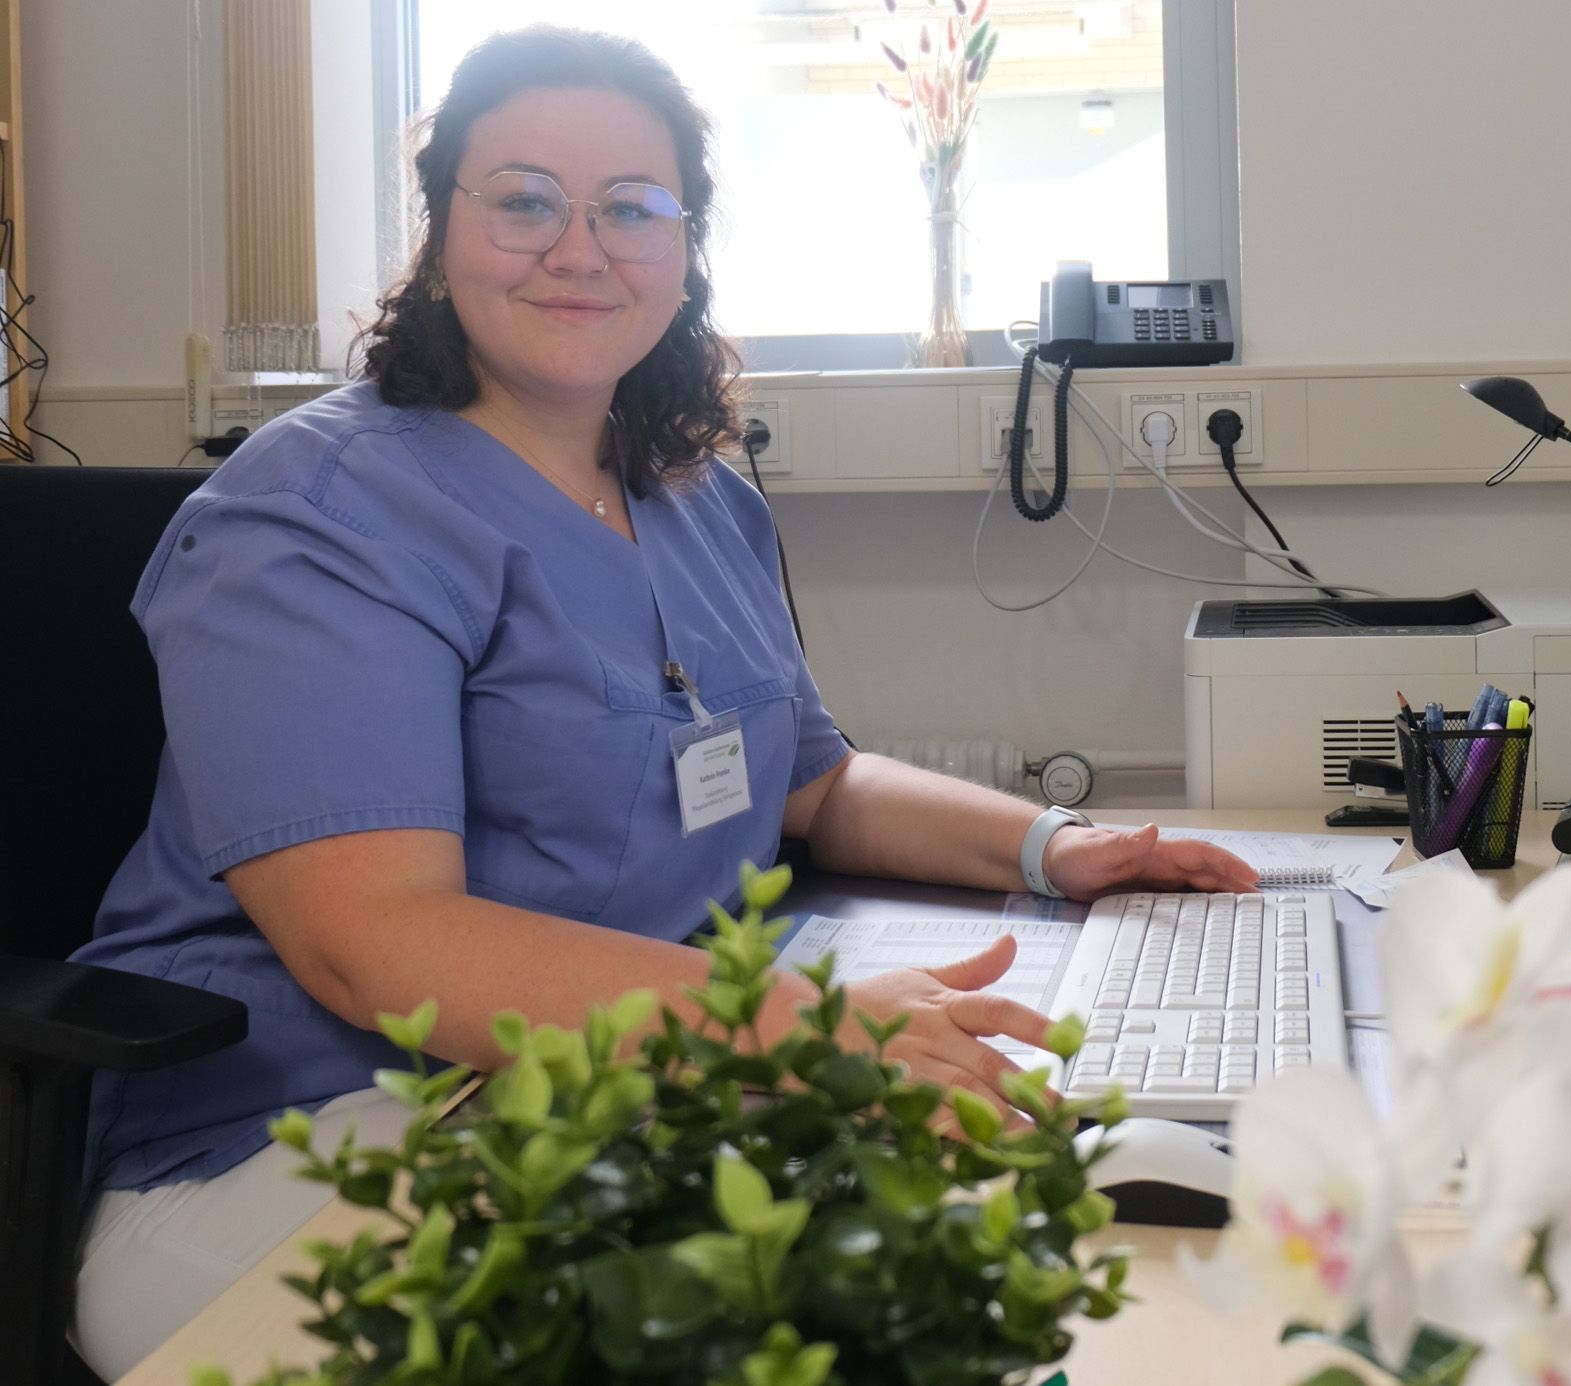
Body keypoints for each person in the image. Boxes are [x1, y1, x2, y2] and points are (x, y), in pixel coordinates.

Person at [69, 25, 1254, 1378]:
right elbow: (379, 944)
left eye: (632, 208)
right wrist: (814, 1032)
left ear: (684, 246)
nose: (579, 249)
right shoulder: (317, 516)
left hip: (611, 1091)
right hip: (294, 1148)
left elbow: (813, 780)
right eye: (523, 201)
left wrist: (1048, 847)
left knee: (1009, 1269)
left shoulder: (695, 498)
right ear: (441, 231)